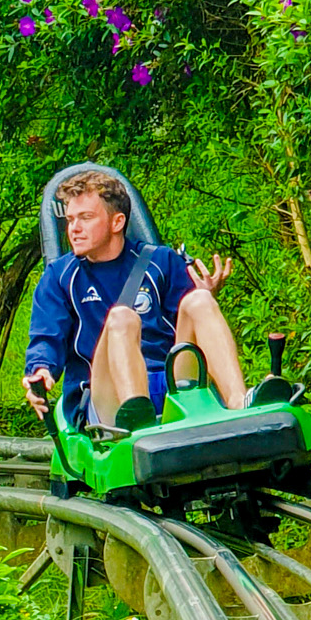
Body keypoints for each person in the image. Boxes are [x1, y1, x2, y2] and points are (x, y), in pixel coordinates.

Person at [24, 166, 246, 430]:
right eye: (70, 220)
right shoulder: (59, 277)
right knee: (121, 317)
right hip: (105, 395)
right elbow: (46, 338)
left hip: (171, 382)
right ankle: (137, 422)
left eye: (85, 218)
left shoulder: (160, 261)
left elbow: (192, 325)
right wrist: (40, 371)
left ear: (117, 222)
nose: (74, 229)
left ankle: (240, 405)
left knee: (200, 301)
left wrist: (206, 292)